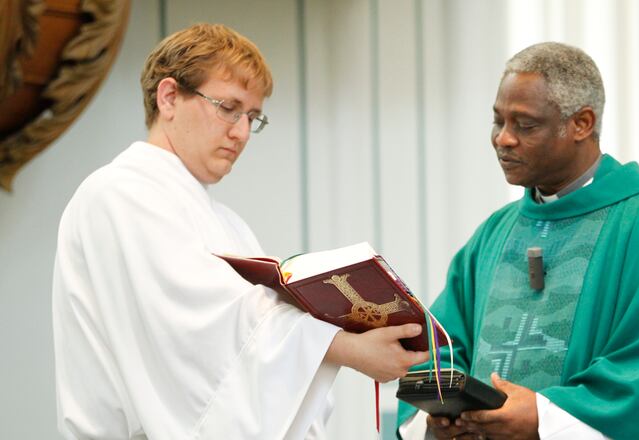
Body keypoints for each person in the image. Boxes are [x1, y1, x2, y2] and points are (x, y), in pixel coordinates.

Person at [52, 23, 429, 440]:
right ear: (169, 97)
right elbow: (196, 330)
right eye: (228, 108)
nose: (242, 132)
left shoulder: (226, 222)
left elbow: (254, 336)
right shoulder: (120, 193)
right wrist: (343, 348)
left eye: (253, 117)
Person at [396, 42, 639, 439]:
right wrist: (436, 422)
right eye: (498, 121)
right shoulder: (494, 234)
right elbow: (440, 347)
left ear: (582, 124)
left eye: (525, 125)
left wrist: (544, 417)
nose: (503, 139)